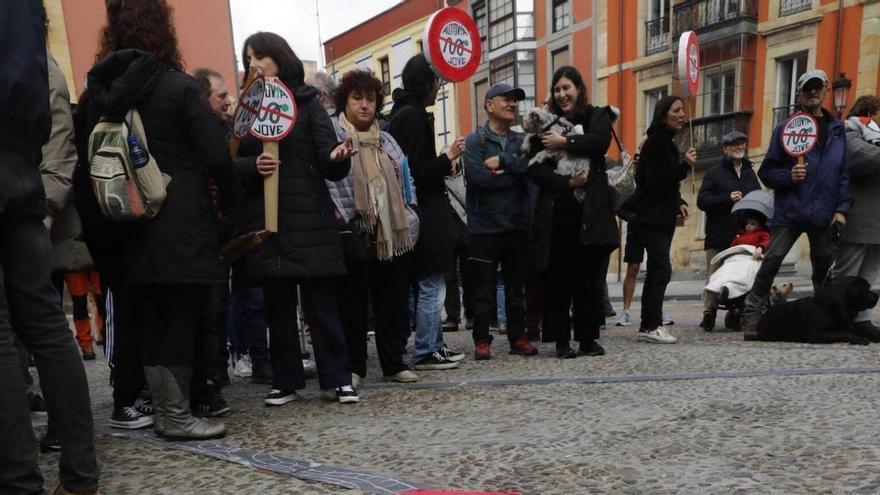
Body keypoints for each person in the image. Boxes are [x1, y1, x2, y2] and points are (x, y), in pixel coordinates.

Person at [82, 0, 240, 439]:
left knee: (149, 317)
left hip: (126, 223)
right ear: (162, 30)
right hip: (181, 220)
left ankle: (166, 409)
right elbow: (215, 155)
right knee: (182, 315)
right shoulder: (177, 87)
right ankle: (177, 415)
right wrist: (231, 205)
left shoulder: (96, 96)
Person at [0, 1, 101, 493]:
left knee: (5, 333)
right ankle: (81, 478)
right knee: (44, 322)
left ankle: (19, 482)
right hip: (19, 166)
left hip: (23, 173)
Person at [234, 32, 358, 405]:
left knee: (321, 303)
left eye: (259, 56)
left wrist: (337, 157)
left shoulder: (307, 104)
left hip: (309, 219)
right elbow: (230, 159)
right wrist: (250, 166)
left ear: (279, 57)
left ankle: (338, 377)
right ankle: (285, 379)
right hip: (269, 218)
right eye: (248, 58)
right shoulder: (248, 108)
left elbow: (327, 157)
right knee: (278, 306)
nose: (253, 64)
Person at [326, 69, 421, 386]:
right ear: (345, 101)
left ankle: (394, 362)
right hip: (353, 232)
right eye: (357, 98)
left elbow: (406, 181)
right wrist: (340, 217)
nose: (364, 105)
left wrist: (409, 215)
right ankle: (354, 367)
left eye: (370, 98)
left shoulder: (389, 140)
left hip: (391, 232)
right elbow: (328, 184)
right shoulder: (332, 136)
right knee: (352, 305)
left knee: (392, 301)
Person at [741, 69, 850, 340]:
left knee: (824, 270)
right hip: (790, 212)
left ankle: (824, 317)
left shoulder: (838, 130)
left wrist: (841, 209)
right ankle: (752, 315)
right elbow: (766, 171)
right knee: (771, 263)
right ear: (799, 94)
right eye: (807, 89)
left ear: (825, 90)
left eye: (817, 88)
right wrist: (788, 176)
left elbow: (843, 174)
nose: (813, 92)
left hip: (823, 212)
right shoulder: (785, 129)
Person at [529, 66, 617, 358]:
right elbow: (537, 170)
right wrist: (566, 181)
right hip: (557, 215)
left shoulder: (596, 116)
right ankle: (561, 341)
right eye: (557, 89)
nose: (562, 94)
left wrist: (564, 142)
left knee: (590, 281)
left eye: (567, 87)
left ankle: (588, 339)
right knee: (558, 281)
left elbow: (599, 142)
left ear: (579, 88)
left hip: (590, 214)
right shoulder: (547, 123)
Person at [387, 54, 465, 370]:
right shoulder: (414, 116)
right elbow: (416, 171)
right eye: (437, 80)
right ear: (426, 83)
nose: (439, 87)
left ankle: (433, 345)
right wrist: (448, 158)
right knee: (433, 281)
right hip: (425, 211)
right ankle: (426, 349)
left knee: (430, 281)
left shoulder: (403, 113)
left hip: (416, 209)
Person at [464, 83, 538, 359]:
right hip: (484, 228)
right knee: (483, 289)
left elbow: (530, 167)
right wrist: (514, 172)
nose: (512, 104)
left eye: (515, 100)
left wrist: (504, 162)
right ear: (488, 105)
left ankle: (517, 338)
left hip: (517, 226)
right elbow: (477, 178)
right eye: (505, 99)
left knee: (516, 287)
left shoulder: (521, 141)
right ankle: (482, 340)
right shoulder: (476, 141)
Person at [622, 95, 696, 344]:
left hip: (661, 217)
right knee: (660, 270)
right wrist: (684, 165)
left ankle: (650, 323)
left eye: (683, 110)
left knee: (658, 270)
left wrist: (680, 203)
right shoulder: (655, 143)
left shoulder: (666, 143)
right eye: (676, 110)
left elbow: (668, 185)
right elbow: (653, 182)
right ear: (664, 114)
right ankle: (650, 325)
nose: (682, 115)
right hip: (651, 217)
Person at [696, 131, 761, 329]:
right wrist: (726, 199)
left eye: (742, 144)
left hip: (743, 238)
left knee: (740, 277)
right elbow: (702, 201)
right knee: (714, 276)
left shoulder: (750, 173)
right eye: (734, 145)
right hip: (719, 235)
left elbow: (758, 198)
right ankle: (709, 313)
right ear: (725, 149)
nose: (739, 147)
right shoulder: (714, 173)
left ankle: (736, 311)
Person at [615, 137, 675, 329]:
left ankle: (656, 309)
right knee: (633, 267)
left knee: (657, 267)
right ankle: (625, 311)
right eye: (642, 147)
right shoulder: (630, 170)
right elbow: (620, 201)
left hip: (655, 225)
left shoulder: (659, 167)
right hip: (636, 225)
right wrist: (633, 218)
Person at [833, 95, 880, 334]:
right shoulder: (850, 134)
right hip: (858, 218)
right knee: (847, 275)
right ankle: (838, 318)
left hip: (876, 222)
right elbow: (865, 157)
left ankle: (861, 319)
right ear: (870, 114)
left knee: (868, 277)